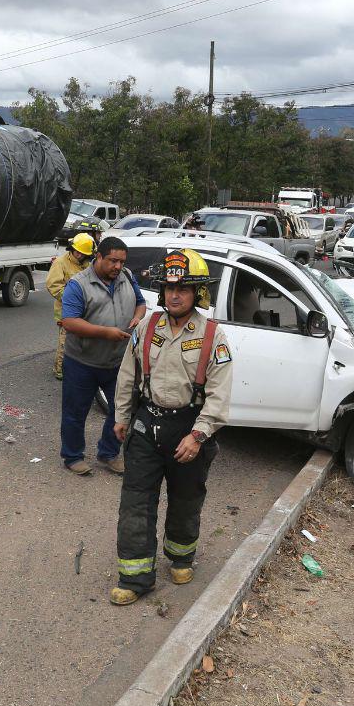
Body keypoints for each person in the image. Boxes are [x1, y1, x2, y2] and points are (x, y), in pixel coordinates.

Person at [109, 248, 233, 604]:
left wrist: (198, 435)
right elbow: (127, 375)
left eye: (183, 289)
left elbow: (219, 395)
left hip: (189, 428)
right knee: (135, 502)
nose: (174, 295)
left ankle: (181, 556)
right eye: (167, 288)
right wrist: (121, 416)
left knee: (186, 499)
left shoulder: (213, 336)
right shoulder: (147, 327)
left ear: (197, 293)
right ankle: (135, 577)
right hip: (147, 425)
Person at [59, 236, 146, 476]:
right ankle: (72, 456)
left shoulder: (126, 276)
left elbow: (140, 302)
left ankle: (108, 453)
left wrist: (138, 317)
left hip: (118, 362)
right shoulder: (79, 284)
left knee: (122, 410)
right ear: (98, 257)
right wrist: (105, 332)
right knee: (75, 413)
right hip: (81, 362)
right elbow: (69, 322)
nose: (117, 266)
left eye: (121, 261)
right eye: (112, 261)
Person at [45, 233, 96, 380]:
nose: (79, 255)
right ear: (72, 248)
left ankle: (79, 367)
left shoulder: (88, 264)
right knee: (65, 340)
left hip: (86, 309)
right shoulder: (60, 263)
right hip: (66, 309)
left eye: (83, 253)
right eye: (77, 251)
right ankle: (60, 370)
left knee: (82, 340)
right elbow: (53, 285)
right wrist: (71, 299)